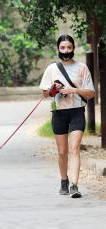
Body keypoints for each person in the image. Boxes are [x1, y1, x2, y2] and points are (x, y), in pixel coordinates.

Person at [39, 34, 95, 198]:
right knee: (62, 152)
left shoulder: (82, 68)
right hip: (59, 113)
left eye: (69, 47)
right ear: (58, 49)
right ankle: (64, 180)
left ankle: (74, 185)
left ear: (73, 48)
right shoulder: (52, 68)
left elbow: (91, 93)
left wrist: (74, 90)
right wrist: (53, 89)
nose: (66, 51)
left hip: (77, 111)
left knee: (74, 148)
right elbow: (44, 94)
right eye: (62, 47)